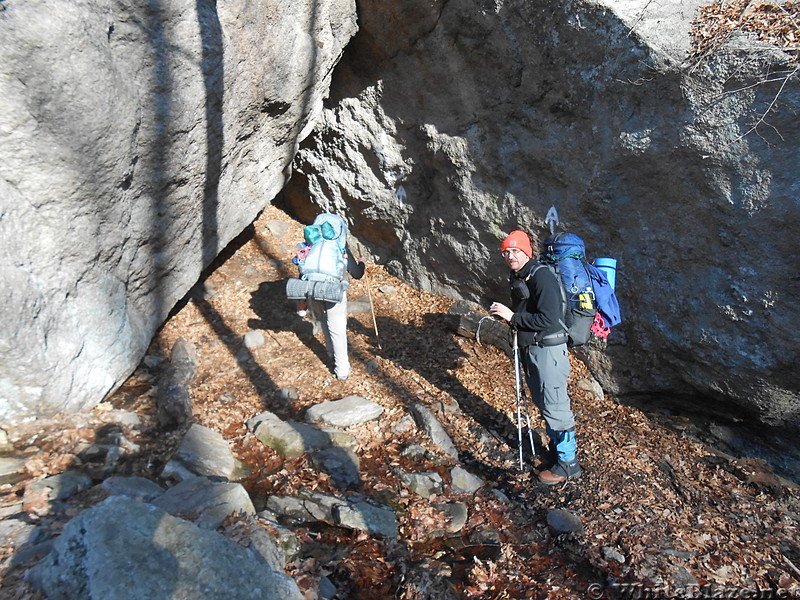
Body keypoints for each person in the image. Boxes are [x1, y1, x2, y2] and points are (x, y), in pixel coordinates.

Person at [489, 230, 582, 485]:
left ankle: (568, 463)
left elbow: (549, 319)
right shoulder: (521, 275)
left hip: (549, 351)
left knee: (556, 405)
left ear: (527, 251)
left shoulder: (542, 277)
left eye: (515, 251)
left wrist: (512, 317)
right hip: (534, 351)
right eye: (506, 252)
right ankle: (557, 452)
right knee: (545, 403)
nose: (510, 256)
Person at [303, 216, 365, 382]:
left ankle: (330, 354)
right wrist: (362, 263)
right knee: (337, 329)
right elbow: (357, 274)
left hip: (312, 288)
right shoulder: (339, 246)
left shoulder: (312, 244)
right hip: (333, 290)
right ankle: (342, 370)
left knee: (323, 321)